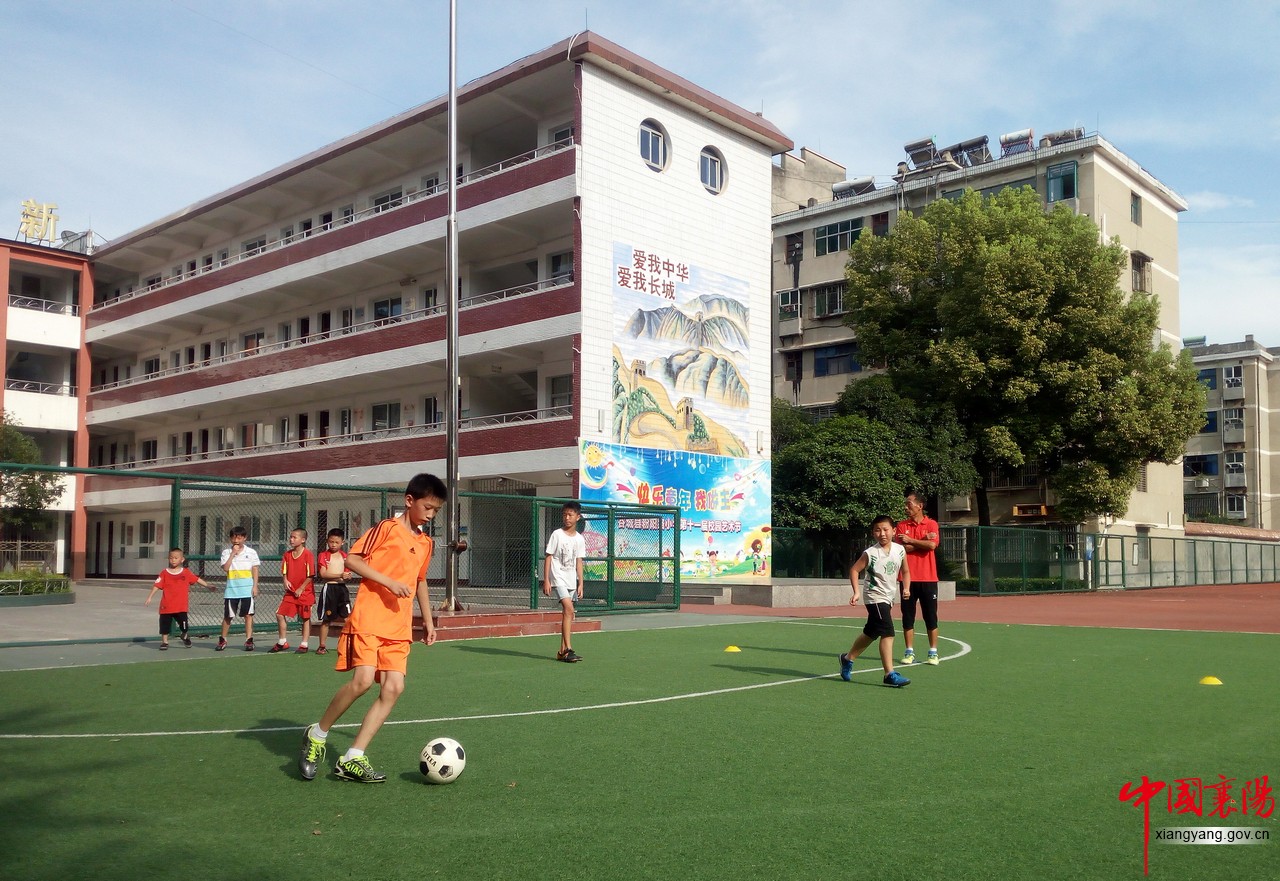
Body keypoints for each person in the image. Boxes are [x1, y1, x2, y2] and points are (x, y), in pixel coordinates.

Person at [299, 473, 445, 783]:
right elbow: (352, 560)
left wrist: (429, 622)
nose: (431, 515)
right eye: (428, 508)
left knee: (393, 688)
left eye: (436, 511)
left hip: (399, 625)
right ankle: (318, 734)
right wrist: (388, 581)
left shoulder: (425, 543)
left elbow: (420, 582)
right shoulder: (386, 529)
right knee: (363, 682)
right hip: (369, 617)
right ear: (409, 501)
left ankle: (353, 757)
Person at [838, 515, 911, 688]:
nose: (882, 533)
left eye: (886, 529)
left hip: (888, 597)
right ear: (873, 533)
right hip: (874, 597)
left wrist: (906, 588)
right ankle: (889, 674)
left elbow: (906, 571)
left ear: (894, 531)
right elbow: (854, 570)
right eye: (877, 530)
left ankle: (847, 659)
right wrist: (856, 592)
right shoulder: (870, 553)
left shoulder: (900, 550)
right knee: (888, 632)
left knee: (871, 632)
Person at [896, 491, 941, 666]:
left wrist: (912, 540)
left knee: (931, 617)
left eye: (909, 504)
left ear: (920, 506)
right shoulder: (901, 526)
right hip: (907, 579)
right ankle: (909, 651)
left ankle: (933, 652)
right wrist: (921, 541)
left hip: (929, 579)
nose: (906, 507)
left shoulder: (931, 524)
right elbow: (901, 550)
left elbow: (932, 545)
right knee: (908, 617)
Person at [542, 500, 586, 662]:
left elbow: (579, 561)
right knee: (569, 610)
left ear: (578, 517)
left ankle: (561, 652)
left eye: (570, 515)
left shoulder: (580, 539)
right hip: (558, 578)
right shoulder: (557, 534)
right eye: (564, 514)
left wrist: (581, 582)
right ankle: (568, 649)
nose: (567, 518)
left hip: (571, 580)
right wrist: (546, 580)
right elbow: (548, 556)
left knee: (567, 614)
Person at [145, 547, 212, 650]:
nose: (173, 560)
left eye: (176, 558)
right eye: (171, 558)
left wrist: (208, 586)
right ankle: (164, 642)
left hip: (181, 606)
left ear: (182, 559)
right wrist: (150, 597)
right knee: (164, 625)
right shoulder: (164, 573)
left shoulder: (186, 572)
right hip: (166, 605)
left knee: (184, 626)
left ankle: (184, 635)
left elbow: (197, 579)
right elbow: (157, 585)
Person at [271, 528, 316, 654]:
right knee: (279, 614)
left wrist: (301, 588)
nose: (291, 539)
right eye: (290, 537)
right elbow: (284, 571)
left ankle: (304, 644)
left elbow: (311, 575)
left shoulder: (308, 555)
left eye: (294, 537)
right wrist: (285, 580)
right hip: (291, 593)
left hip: (305, 593)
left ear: (303, 540)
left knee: (305, 618)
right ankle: (282, 642)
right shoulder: (287, 555)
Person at [218, 526, 260, 652]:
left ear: (244, 538)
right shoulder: (226, 552)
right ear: (230, 539)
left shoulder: (251, 552)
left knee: (248, 615)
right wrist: (232, 554)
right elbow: (225, 568)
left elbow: (255, 569)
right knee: (228, 616)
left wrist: (255, 586)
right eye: (234, 537)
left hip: (247, 590)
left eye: (239, 538)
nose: (236, 540)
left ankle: (248, 640)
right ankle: (223, 639)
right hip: (231, 590)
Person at [314, 527, 352, 656]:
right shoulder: (323, 555)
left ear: (342, 542)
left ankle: (349, 644)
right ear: (327, 541)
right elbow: (324, 574)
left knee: (348, 618)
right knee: (326, 619)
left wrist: (346, 576)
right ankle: (322, 646)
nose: (333, 545)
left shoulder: (345, 556)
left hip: (342, 589)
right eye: (331, 542)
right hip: (329, 589)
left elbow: (347, 573)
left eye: (336, 542)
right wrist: (341, 574)